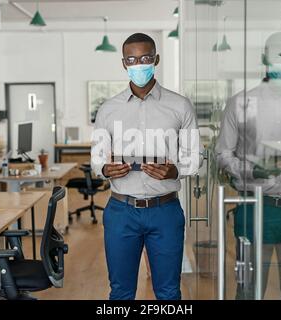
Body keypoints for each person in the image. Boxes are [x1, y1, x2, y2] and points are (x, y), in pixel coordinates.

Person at [91, 33, 201, 300]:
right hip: (121, 211)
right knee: (120, 292)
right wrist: (106, 169)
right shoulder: (108, 109)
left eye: (145, 58)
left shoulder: (180, 106)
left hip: (165, 211)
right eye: (132, 59)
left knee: (168, 291)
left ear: (156, 60)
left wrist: (175, 170)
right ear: (123, 63)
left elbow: (194, 158)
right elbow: (96, 158)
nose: (138, 64)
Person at [215, 32, 281, 299]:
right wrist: (251, 171)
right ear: (264, 58)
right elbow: (223, 152)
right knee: (250, 290)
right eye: (278, 55)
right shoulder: (242, 103)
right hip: (255, 205)